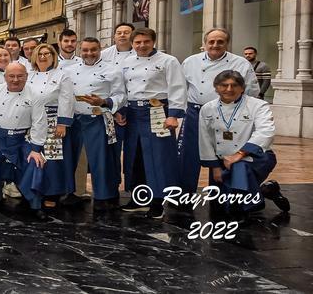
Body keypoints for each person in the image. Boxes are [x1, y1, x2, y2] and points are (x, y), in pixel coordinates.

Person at [198, 70, 289, 216]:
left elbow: (266, 132)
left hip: (257, 157)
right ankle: (268, 190)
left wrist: (239, 154)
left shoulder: (258, 106)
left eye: (234, 85)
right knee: (219, 204)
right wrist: (214, 167)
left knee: (236, 194)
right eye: (224, 85)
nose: (229, 89)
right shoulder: (207, 108)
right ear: (216, 87)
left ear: (242, 88)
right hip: (223, 161)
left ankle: (249, 205)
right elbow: (205, 139)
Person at [179, 29, 259, 193]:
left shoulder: (240, 63)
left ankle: (221, 193)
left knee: (224, 151)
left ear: (227, 43)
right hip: (195, 113)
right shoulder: (190, 62)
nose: (215, 45)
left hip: (226, 113)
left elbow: (251, 90)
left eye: (220, 42)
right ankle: (183, 193)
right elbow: (181, 88)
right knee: (188, 154)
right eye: (211, 41)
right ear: (205, 43)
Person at [116, 28, 185, 218]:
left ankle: (158, 201)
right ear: (132, 43)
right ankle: (139, 198)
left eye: (146, 41)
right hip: (133, 112)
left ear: (153, 41)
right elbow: (122, 88)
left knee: (160, 157)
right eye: (137, 42)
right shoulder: (127, 62)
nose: (142, 45)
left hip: (157, 111)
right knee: (135, 155)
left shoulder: (168, 61)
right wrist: (120, 110)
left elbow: (177, 88)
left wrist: (173, 115)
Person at [57, 37, 125, 211]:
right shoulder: (70, 70)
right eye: (86, 50)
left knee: (101, 158)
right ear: (81, 50)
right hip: (76, 118)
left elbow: (120, 95)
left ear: (99, 49)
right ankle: (74, 192)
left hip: (99, 117)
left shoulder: (113, 70)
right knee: (75, 158)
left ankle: (104, 195)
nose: (89, 53)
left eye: (93, 50)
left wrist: (104, 101)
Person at [0, 62, 49, 219]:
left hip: (21, 140)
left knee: (35, 163)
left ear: (26, 76)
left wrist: (36, 150)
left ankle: (35, 204)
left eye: (20, 76)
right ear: (5, 77)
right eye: (11, 76)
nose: (15, 80)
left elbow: (39, 122)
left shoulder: (35, 95)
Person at [24, 44, 73, 208]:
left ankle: (52, 192)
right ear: (34, 57)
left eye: (47, 54)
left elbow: (66, 99)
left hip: (52, 120)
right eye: (40, 54)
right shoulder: (29, 75)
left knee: (52, 158)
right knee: (34, 155)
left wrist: (62, 123)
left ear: (53, 57)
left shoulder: (61, 75)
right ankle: (34, 190)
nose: (43, 57)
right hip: (32, 120)